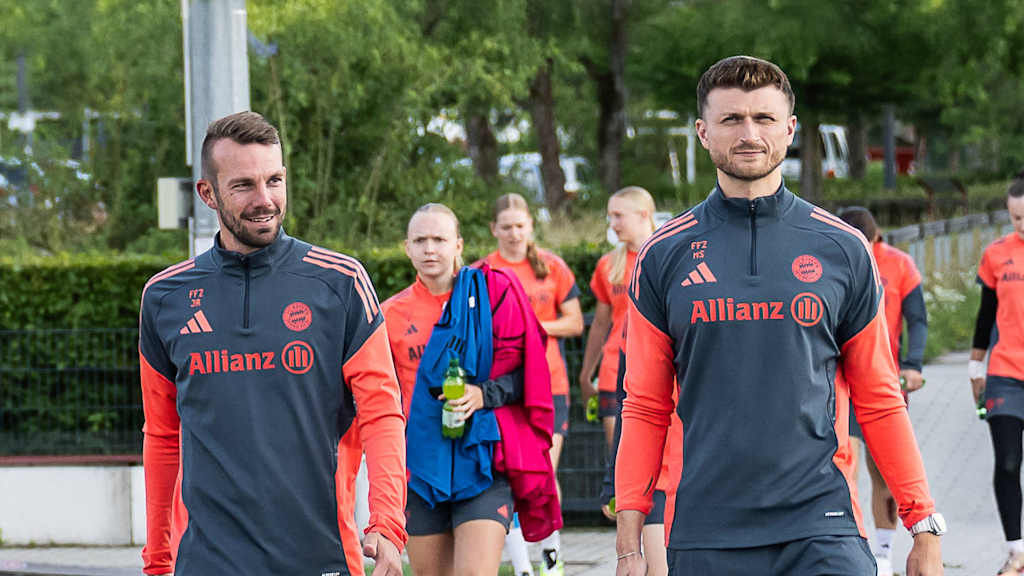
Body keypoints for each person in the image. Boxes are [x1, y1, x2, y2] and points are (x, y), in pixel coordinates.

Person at [614, 56, 944, 576]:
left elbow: (880, 398)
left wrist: (922, 523)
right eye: (731, 119)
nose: (749, 133)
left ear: (789, 129)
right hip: (706, 527)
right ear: (703, 132)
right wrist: (628, 544)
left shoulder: (843, 248)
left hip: (822, 524)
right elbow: (645, 407)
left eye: (763, 118)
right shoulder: (663, 255)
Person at [139, 111, 406, 576]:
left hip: (320, 556)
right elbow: (163, 437)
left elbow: (382, 413)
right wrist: (159, 561)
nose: (265, 199)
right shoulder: (165, 298)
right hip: (206, 562)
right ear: (208, 194)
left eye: (275, 180)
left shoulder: (341, 283)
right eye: (244, 185)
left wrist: (386, 521)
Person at [383, 203, 560, 576]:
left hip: (482, 459)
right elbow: (379, 398)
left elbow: (529, 375)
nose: (430, 249)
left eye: (439, 239)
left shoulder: (492, 295)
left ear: (458, 245)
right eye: (420, 240)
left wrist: (483, 394)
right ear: (407, 248)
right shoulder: (389, 315)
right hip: (419, 467)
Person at [481, 193, 583, 576]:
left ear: (530, 227)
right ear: (494, 229)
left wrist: (531, 328)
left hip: (549, 385)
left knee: (543, 473)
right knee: (509, 475)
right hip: (505, 389)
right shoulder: (482, 271)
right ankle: (522, 566)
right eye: (506, 226)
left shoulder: (552, 266)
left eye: (520, 225)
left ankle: (551, 561)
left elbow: (575, 322)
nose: (513, 233)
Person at [838, 206, 928, 576]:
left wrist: (913, 364)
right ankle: (850, 546)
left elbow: (917, 319)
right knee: (845, 469)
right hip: (839, 384)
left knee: (884, 476)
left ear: (875, 239)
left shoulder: (900, 264)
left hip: (883, 381)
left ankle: (885, 554)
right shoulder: (830, 258)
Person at [970, 175, 1024, 575]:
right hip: (1005, 372)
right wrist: (976, 367)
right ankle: (1016, 551)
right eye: (1016, 217)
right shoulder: (996, 255)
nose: (1021, 224)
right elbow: (986, 314)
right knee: (1007, 462)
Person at [580, 187, 658, 450]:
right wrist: (586, 373)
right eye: (610, 217)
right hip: (614, 368)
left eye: (618, 216)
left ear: (643, 214)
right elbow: (600, 324)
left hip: (657, 368)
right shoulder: (608, 264)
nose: (613, 224)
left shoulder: (668, 256)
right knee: (619, 457)